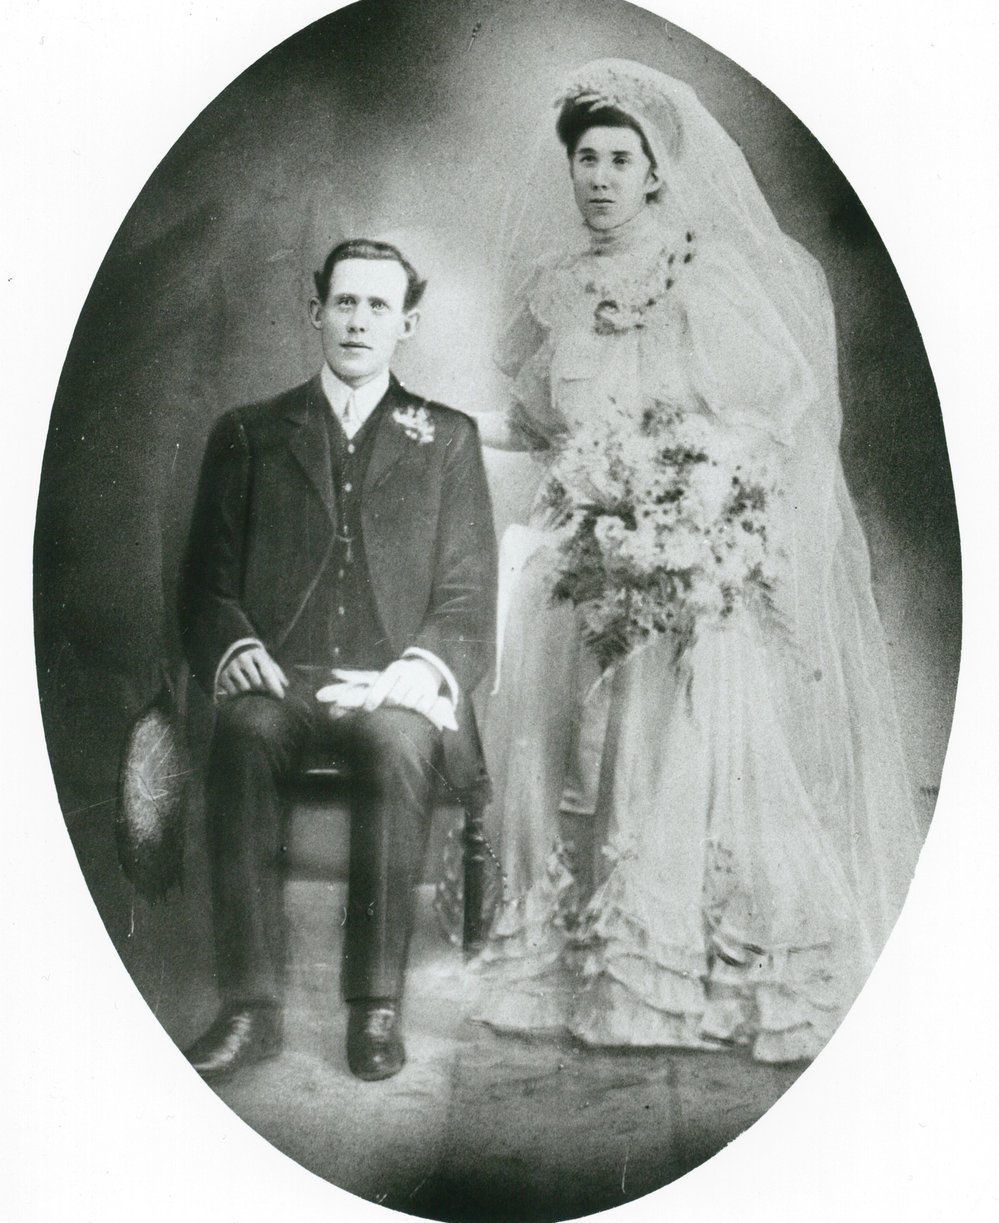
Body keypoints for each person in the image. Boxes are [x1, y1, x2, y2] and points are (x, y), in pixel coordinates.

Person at [470, 60, 922, 1062]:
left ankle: (655, 979)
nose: (598, 177)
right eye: (585, 157)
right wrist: (453, 431)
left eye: (620, 159)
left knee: (658, 741)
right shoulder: (555, 291)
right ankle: (552, 961)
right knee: (542, 712)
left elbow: (779, 413)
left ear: (656, 172)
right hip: (583, 554)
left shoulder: (706, 278)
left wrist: (701, 503)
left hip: (682, 559)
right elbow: (541, 423)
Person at [180, 238, 496, 1082]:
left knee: (399, 743)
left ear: (408, 325)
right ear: (315, 308)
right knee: (242, 735)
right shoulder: (247, 433)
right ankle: (251, 1006)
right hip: (285, 679)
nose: (358, 321)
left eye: (378, 307)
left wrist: (421, 669)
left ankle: (375, 1007)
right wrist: (237, 645)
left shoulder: (449, 440)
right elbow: (203, 585)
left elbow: (468, 599)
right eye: (344, 302)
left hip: (392, 686)